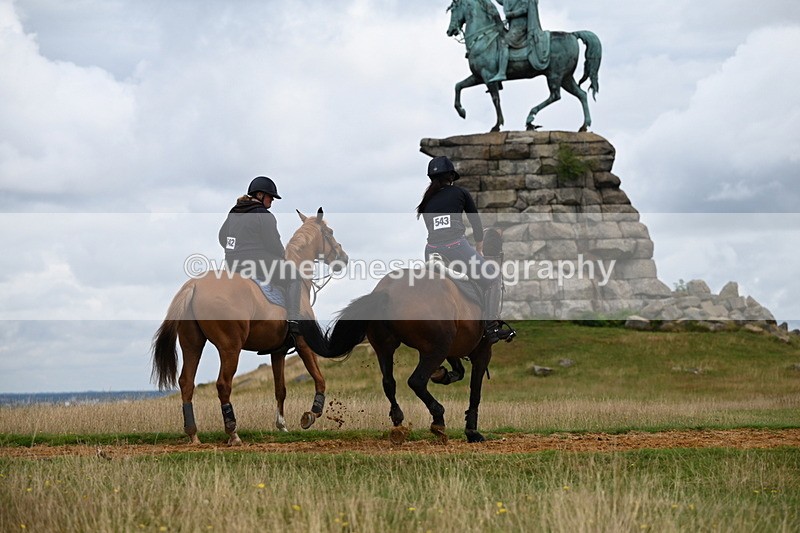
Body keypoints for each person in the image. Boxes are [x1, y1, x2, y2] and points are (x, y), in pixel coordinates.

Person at [417, 156, 515, 344]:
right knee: (493, 278)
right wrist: (479, 245)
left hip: (431, 251)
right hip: (455, 248)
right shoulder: (460, 192)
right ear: (451, 176)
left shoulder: (426, 200)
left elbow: (434, 229)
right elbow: (475, 221)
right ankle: (492, 326)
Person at [218, 176, 302, 336]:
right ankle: (294, 323)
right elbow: (273, 244)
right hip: (258, 263)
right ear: (260, 195)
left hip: (232, 265)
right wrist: (282, 257)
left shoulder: (234, 212)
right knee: (294, 276)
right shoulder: (264, 215)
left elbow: (222, 237)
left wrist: (233, 250)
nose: (272, 200)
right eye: (271, 196)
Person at [488, 0, 547, 83]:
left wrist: (511, 14)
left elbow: (525, 8)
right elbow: (502, 1)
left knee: (504, 43)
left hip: (521, 27)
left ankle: (502, 72)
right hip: (513, 27)